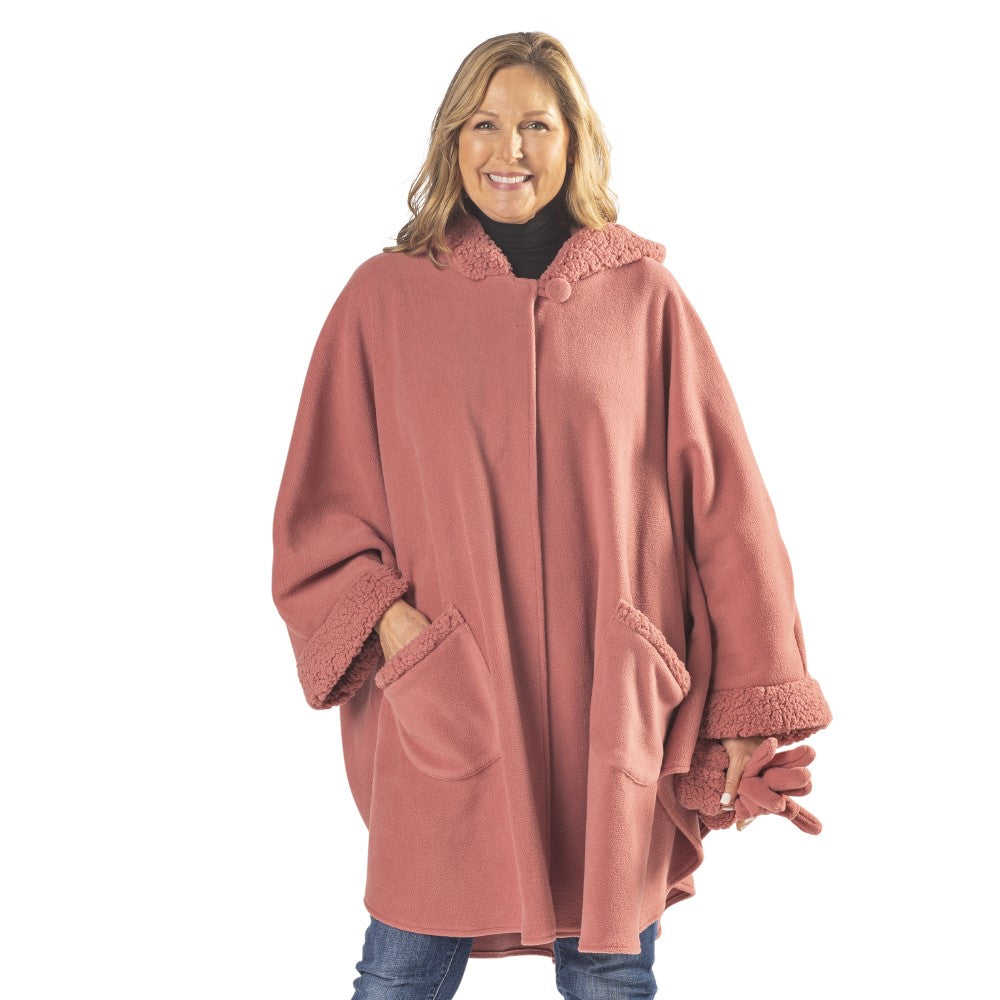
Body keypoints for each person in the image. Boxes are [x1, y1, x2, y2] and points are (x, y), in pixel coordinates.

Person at [271, 31, 833, 1000]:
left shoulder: (646, 302)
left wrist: (748, 703)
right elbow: (318, 515)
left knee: (610, 971)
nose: (510, 150)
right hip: (453, 697)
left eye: (536, 125)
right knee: (398, 975)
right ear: (452, 140)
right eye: (484, 125)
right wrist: (398, 631)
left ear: (574, 141)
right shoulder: (382, 300)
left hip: (607, 703)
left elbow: (729, 512)